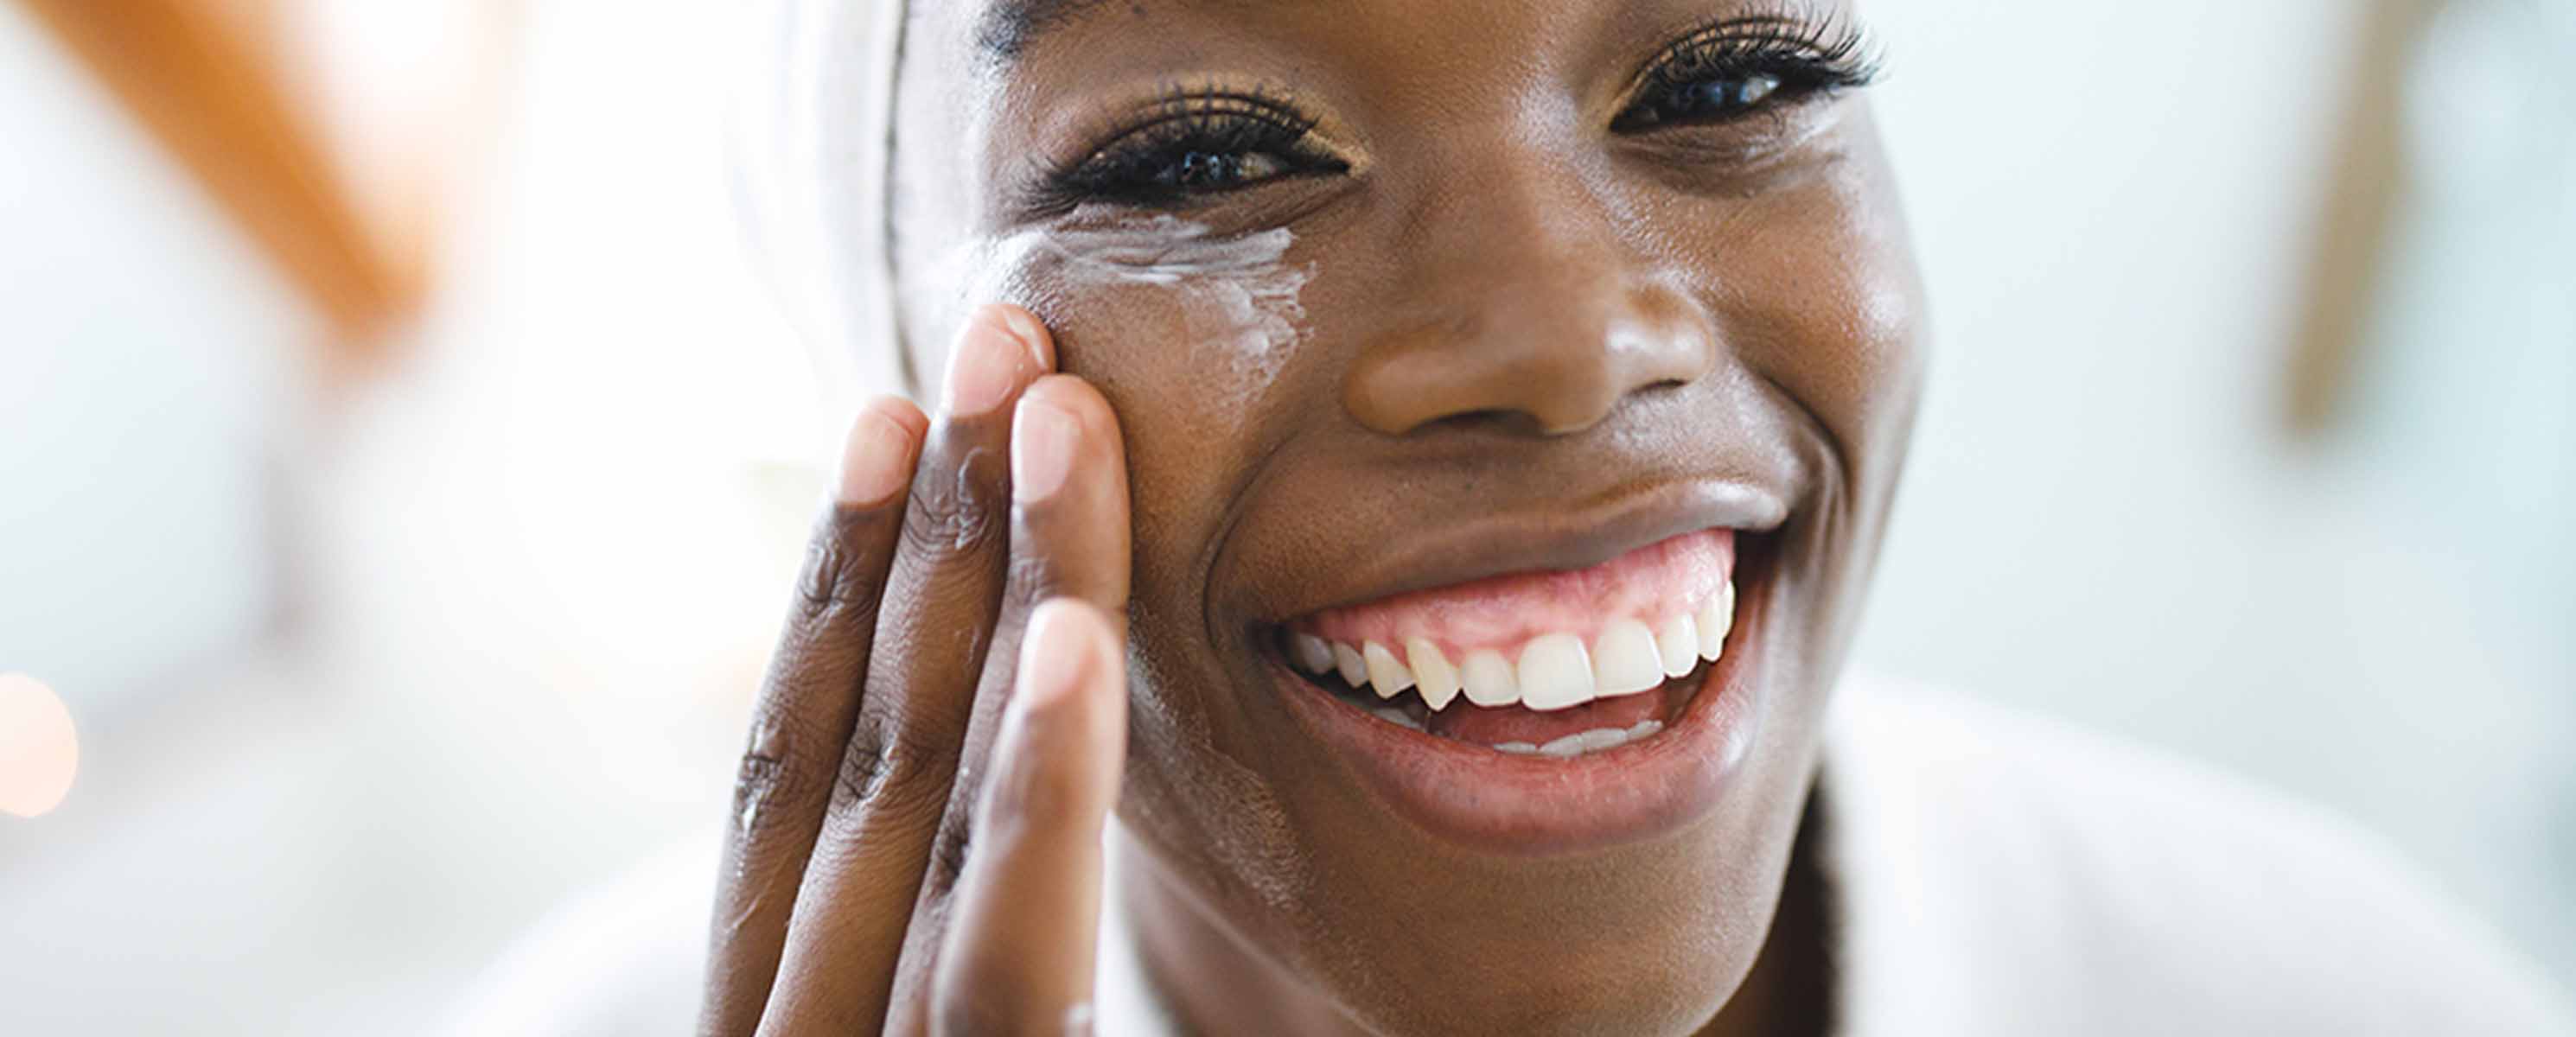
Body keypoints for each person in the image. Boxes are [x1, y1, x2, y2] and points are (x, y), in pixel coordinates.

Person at [471, 1, 2576, 1033]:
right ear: (883, 342)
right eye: (1204, 162)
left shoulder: (2331, 996)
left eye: (1732, 79)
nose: (1567, 345)